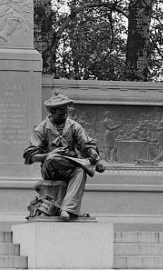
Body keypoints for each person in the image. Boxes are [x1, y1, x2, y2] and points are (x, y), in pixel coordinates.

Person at [23, 92, 106, 221]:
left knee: (80, 171)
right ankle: (84, 164)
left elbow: (86, 144)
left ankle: (67, 209)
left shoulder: (73, 126)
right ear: (52, 111)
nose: (65, 115)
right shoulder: (41, 128)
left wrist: (94, 155)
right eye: (61, 113)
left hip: (69, 168)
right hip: (51, 169)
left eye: (67, 112)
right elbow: (31, 156)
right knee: (52, 159)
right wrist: (47, 155)